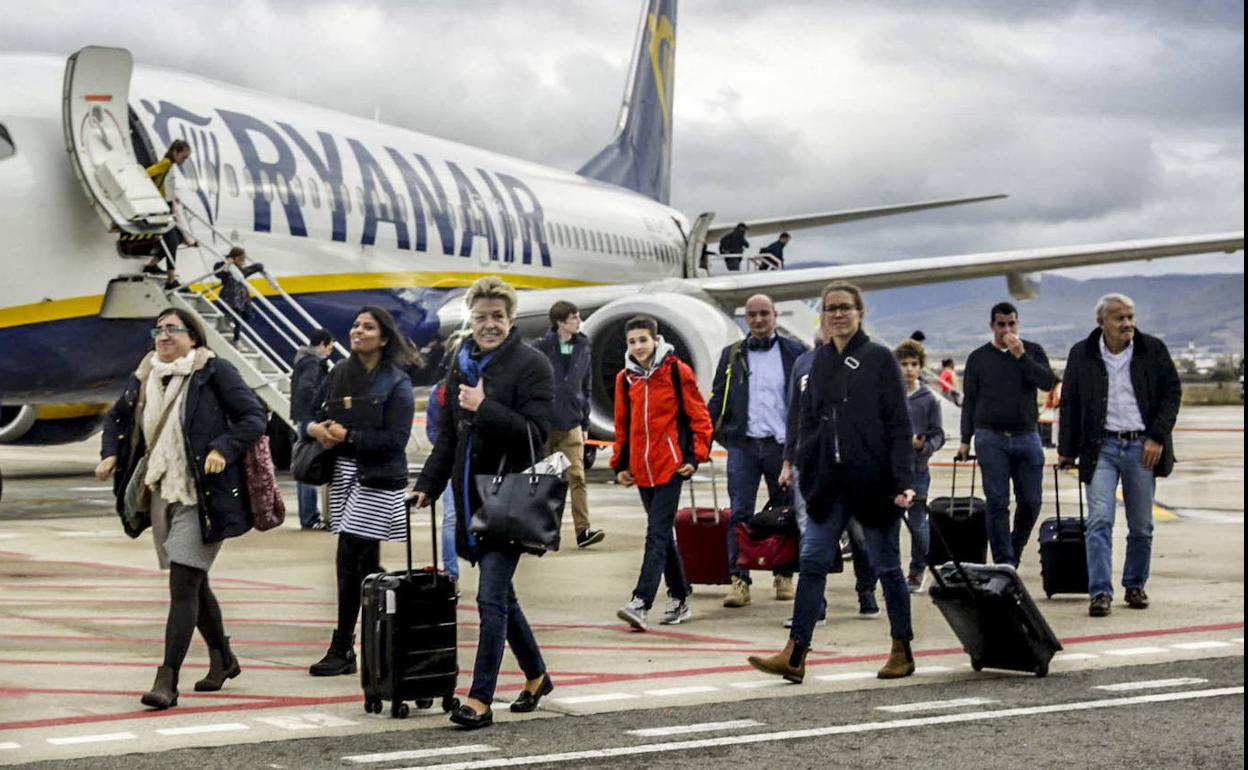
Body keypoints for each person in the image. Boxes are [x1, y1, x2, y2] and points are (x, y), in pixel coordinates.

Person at [95, 307, 267, 709]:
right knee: (192, 579)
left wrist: (223, 448)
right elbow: (116, 419)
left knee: (183, 582)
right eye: (159, 329)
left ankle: (167, 679)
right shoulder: (146, 375)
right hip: (162, 491)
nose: (164, 335)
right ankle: (223, 657)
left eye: (173, 329)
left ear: (194, 336)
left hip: (203, 494)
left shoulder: (213, 371)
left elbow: (253, 416)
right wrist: (110, 454)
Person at [751, 281, 917, 683]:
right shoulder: (816, 362)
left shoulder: (879, 360)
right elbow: (807, 418)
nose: (838, 314)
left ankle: (902, 648)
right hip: (828, 482)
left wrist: (903, 480)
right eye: (830, 309)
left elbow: (898, 423)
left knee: (887, 566)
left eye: (845, 307)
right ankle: (796, 652)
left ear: (860, 312)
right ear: (822, 316)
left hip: (873, 481)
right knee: (811, 561)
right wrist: (803, 461)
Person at [412, 277, 555, 730]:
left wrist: (486, 405)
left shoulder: (532, 365)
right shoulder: (462, 360)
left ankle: (480, 698)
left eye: (497, 317)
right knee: (504, 598)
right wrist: (428, 485)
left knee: (490, 596)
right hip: (471, 495)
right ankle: (535, 676)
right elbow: (451, 435)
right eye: (481, 317)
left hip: (510, 498)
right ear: (469, 319)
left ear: (511, 320)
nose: (488, 325)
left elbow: (538, 433)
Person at [305, 306, 417, 678]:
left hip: (378, 478)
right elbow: (309, 412)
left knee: (350, 558)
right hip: (346, 474)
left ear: (383, 337)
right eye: (355, 325)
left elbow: (397, 440)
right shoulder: (339, 374)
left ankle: (343, 648)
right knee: (363, 566)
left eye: (368, 327)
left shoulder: (396, 383)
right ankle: (388, 634)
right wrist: (316, 430)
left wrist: (349, 436)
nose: (358, 331)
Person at [1058, 294, 1181, 618]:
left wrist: (1157, 437)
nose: (1127, 323)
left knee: (1141, 525)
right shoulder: (1082, 354)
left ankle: (1134, 584)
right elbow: (1069, 403)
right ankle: (1099, 592)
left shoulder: (1152, 350)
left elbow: (1172, 392)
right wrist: (1067, 451)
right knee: (1099, 520)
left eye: (1130, 316)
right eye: (1119, 318)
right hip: (1101, 449)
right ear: (1102, 323)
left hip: (1142, 448)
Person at [613, 315, 713, 630]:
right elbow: (622, 424)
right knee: (663, 536)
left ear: (656, 340)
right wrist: (620, 463)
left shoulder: (675, 371)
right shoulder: (624, 379)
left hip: (670, 467)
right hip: (642, 470)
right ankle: (680, 596)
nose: (638, 346)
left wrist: (696, 457)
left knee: (656, 533)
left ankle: (641, 601)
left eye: (643, 340)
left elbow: (699, 417)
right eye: (632, 341)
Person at [707, 294, 807, 608]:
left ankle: (783, 574)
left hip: (781, 447)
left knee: (785, 511)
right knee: (739, 511)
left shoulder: (796, 352)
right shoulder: (732, 354)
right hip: (744, 446)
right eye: (752, 315)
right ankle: (739, 579)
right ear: (745, 319)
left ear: (775, 315)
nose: (759, 320)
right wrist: (705, 439)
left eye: (764, 314)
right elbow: (717, 399)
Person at [956, 301, 1055, 567]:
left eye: (1011, 324)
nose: (1006, 329)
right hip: (991, 436)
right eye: (1001, 325)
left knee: (1031, 501)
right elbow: (970, 401)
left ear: (1017, 323)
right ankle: (1004, 562)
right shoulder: (978, 358)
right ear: (992, 326)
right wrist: (965, 440)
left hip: (1026, 435)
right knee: (997, 501)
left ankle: (1016, 543)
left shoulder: (1032, 351)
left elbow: (1047, 382)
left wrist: (1021, 356)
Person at [532, 301, 604, 548]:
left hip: (572, 422)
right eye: (574, 317)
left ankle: (583, 531)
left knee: (577, 476)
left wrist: (585, 422)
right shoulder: (540, 348)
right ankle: (543, 532)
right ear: (560, 322)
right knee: (544, 479)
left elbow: (587, 385)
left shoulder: (584, 346)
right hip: (545, 424)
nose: (579, 321)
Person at [895, 340, 944, 591]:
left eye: (913, 364)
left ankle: (917, 570)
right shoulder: (889, 395)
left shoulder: (928, 400)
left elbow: (938, 434)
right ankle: (892, 572)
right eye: (903, 364)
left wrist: (923, 447)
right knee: (890, 523)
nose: (908, 369)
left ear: (921, 367)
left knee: (918, 523)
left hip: (918, 469)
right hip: (891, 469)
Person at [291, 328, 336, 530]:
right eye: (330, 347)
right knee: (310, 464)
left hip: (302, 417)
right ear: (322, 345)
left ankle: (308, 516)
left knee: (305, 464)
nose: (330, 352)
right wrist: (315, 415)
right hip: (310, 420)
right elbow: (307, 389)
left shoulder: (302, 360)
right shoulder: (313, 363)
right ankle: (310, 517)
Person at [142, 139, 197, 285]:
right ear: (175, 152)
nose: (183, 161)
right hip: (159, 208)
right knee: (171, 241)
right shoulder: (166, 163)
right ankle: (171, 279)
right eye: (183, 157)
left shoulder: (170, 165)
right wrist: (153, 194)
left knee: (178, 237)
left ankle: (152, 265)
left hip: (166, 207)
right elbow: (146, 174)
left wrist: (173, 196)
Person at [212, 247, 266, 342]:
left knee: (239, 319)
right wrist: (227, 264)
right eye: (242, 259)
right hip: (230, 297)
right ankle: (235, 338)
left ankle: (236, 339)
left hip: (240, 298)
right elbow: (219, 273)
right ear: (236, 258)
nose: (243, 262)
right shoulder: (227, 268)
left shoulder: (241, 270)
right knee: (235, 318)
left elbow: (257, 267)